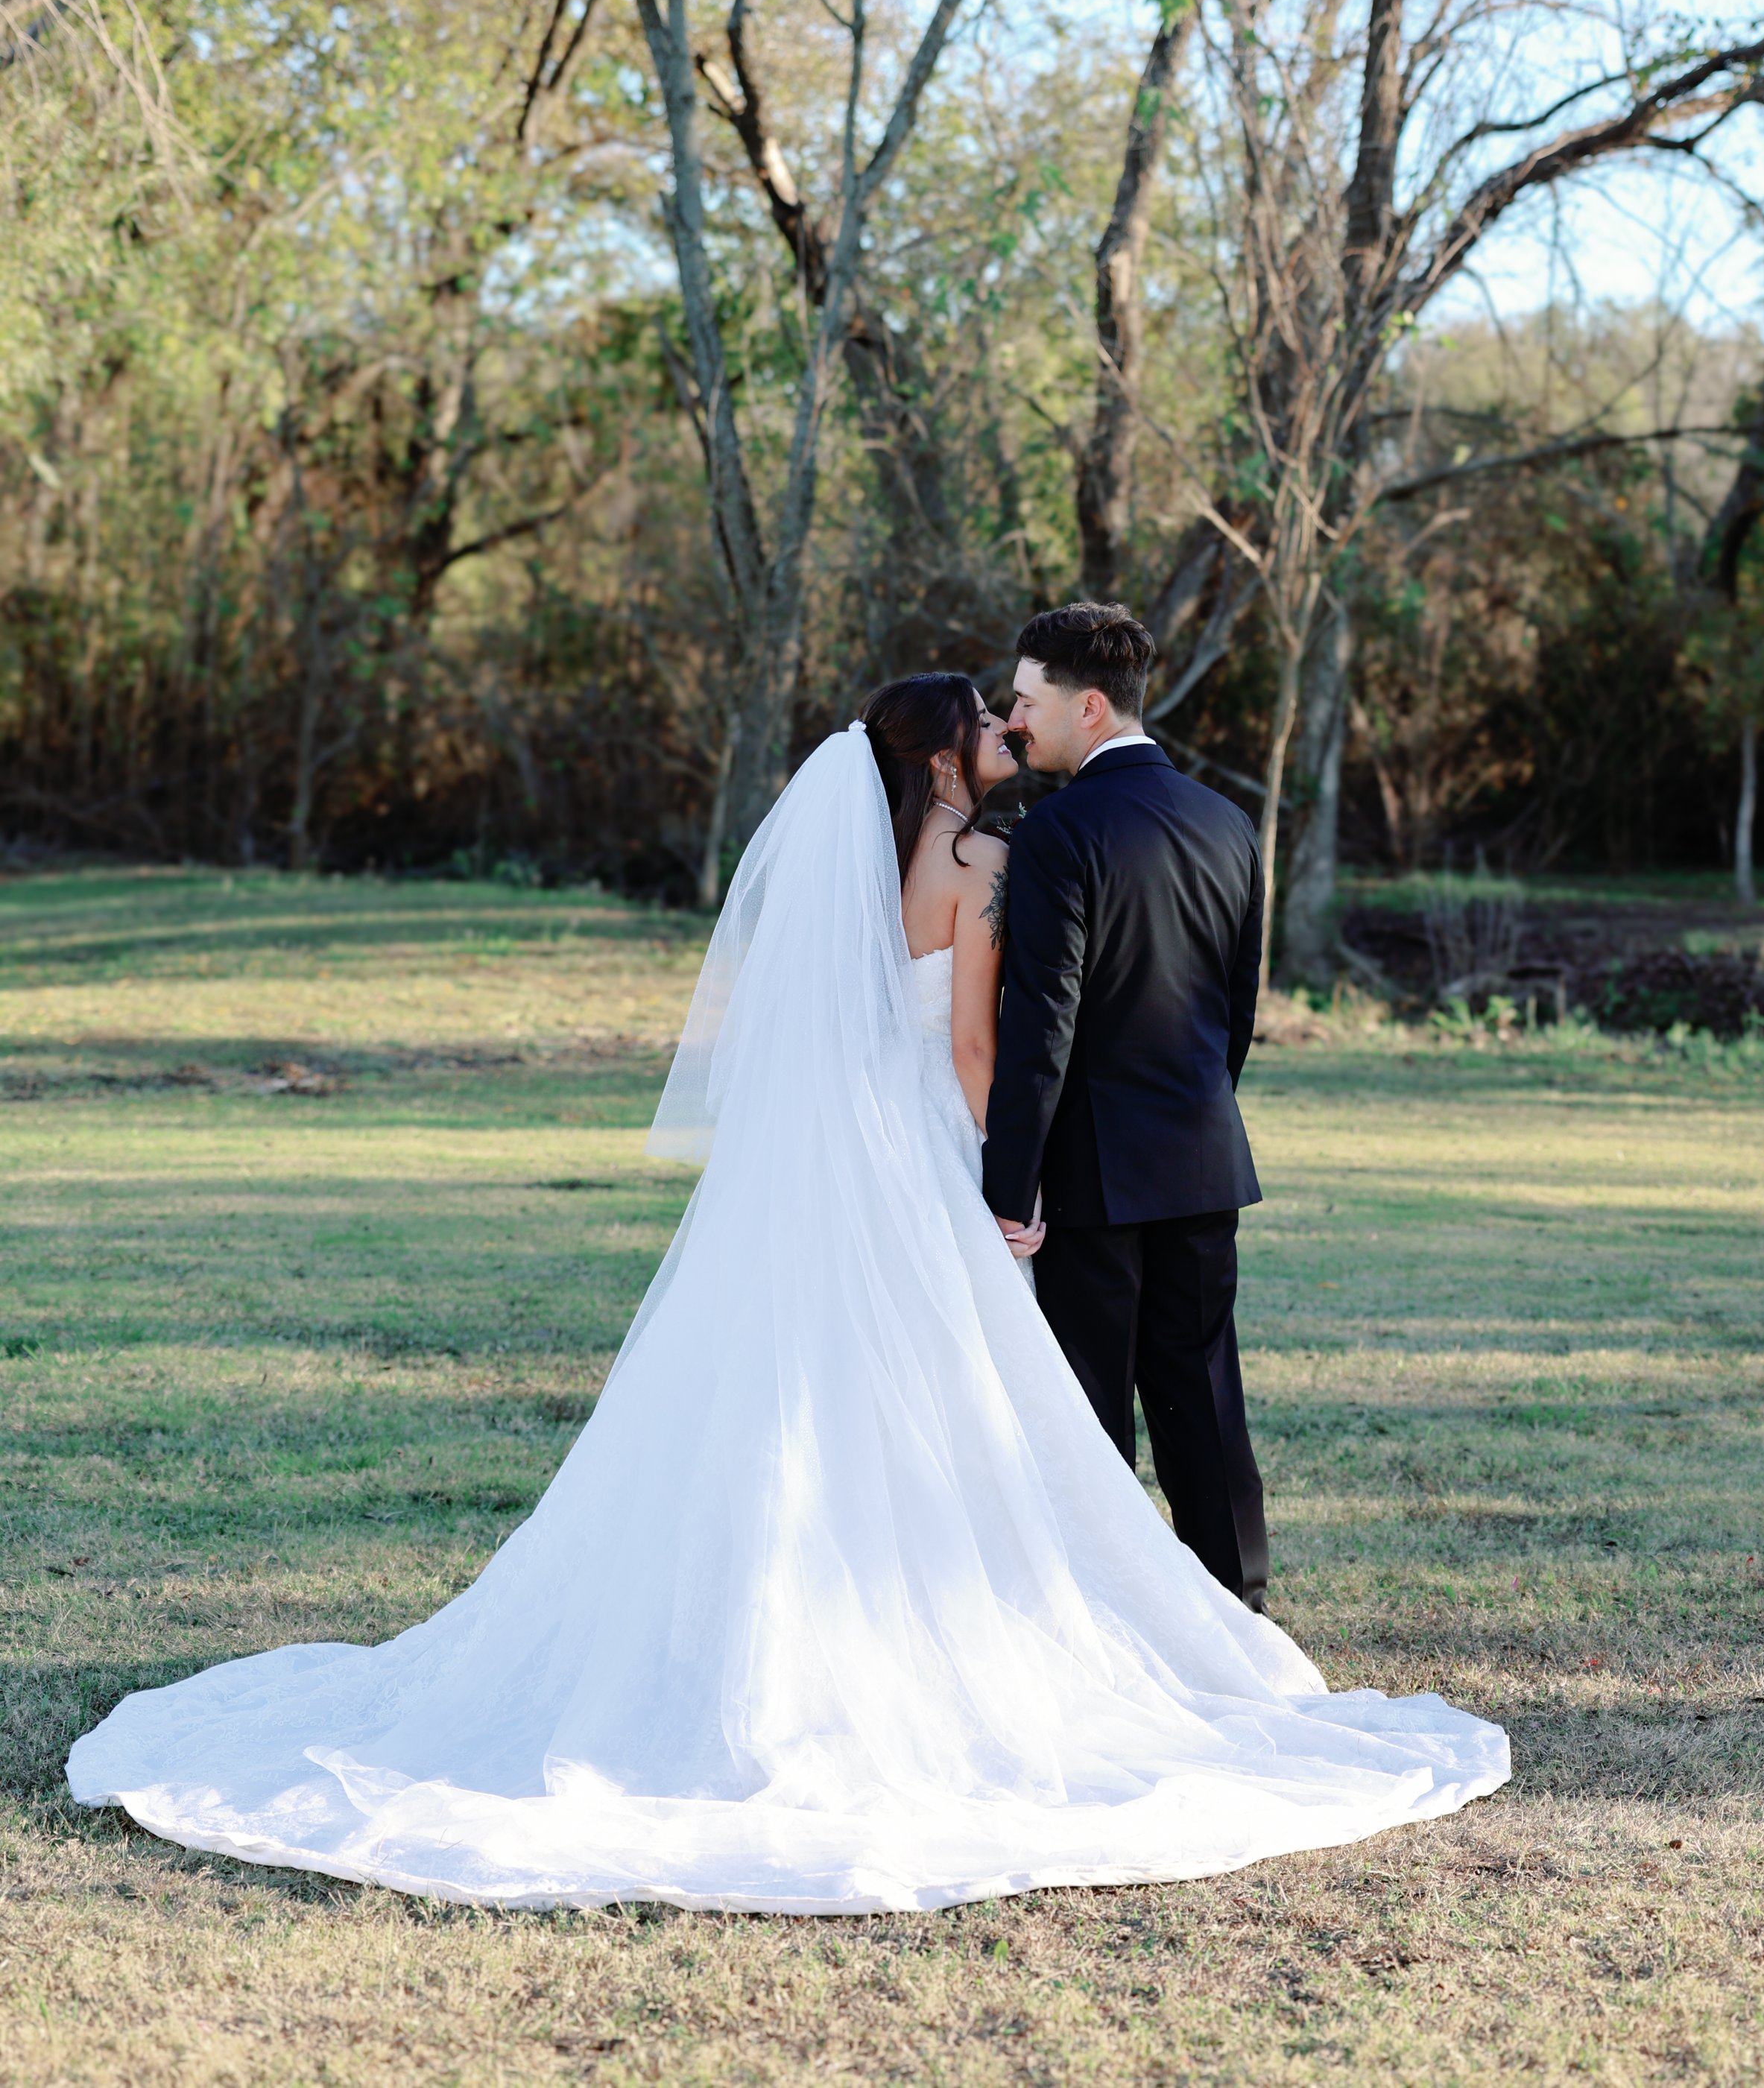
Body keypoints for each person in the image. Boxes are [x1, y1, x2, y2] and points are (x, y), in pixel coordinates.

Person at [68, 673, 1507, 1914]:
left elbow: (812, 1026)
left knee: (780, 1391)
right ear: (949, 756)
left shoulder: (856, 859)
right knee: (943, 1405)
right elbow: (965, 1051)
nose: (1009, 734)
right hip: (918, 1156)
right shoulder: (980, 861)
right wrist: (1001, 1178)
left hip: (818, 1160)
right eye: (985, 728)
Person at [981, 601, 1271, 1608]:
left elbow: (1040, 1027)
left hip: (1091, 1177)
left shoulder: (1058, 831)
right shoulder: (1228, 821)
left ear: (1089, 706)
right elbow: (1236, 1010)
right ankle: (1241, 1615)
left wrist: (1008, 1187)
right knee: (1204, 1401)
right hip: (1202, 1158)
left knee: (1092, 1414)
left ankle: (1111, 1630)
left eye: (1025, 699)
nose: (1013, 719)